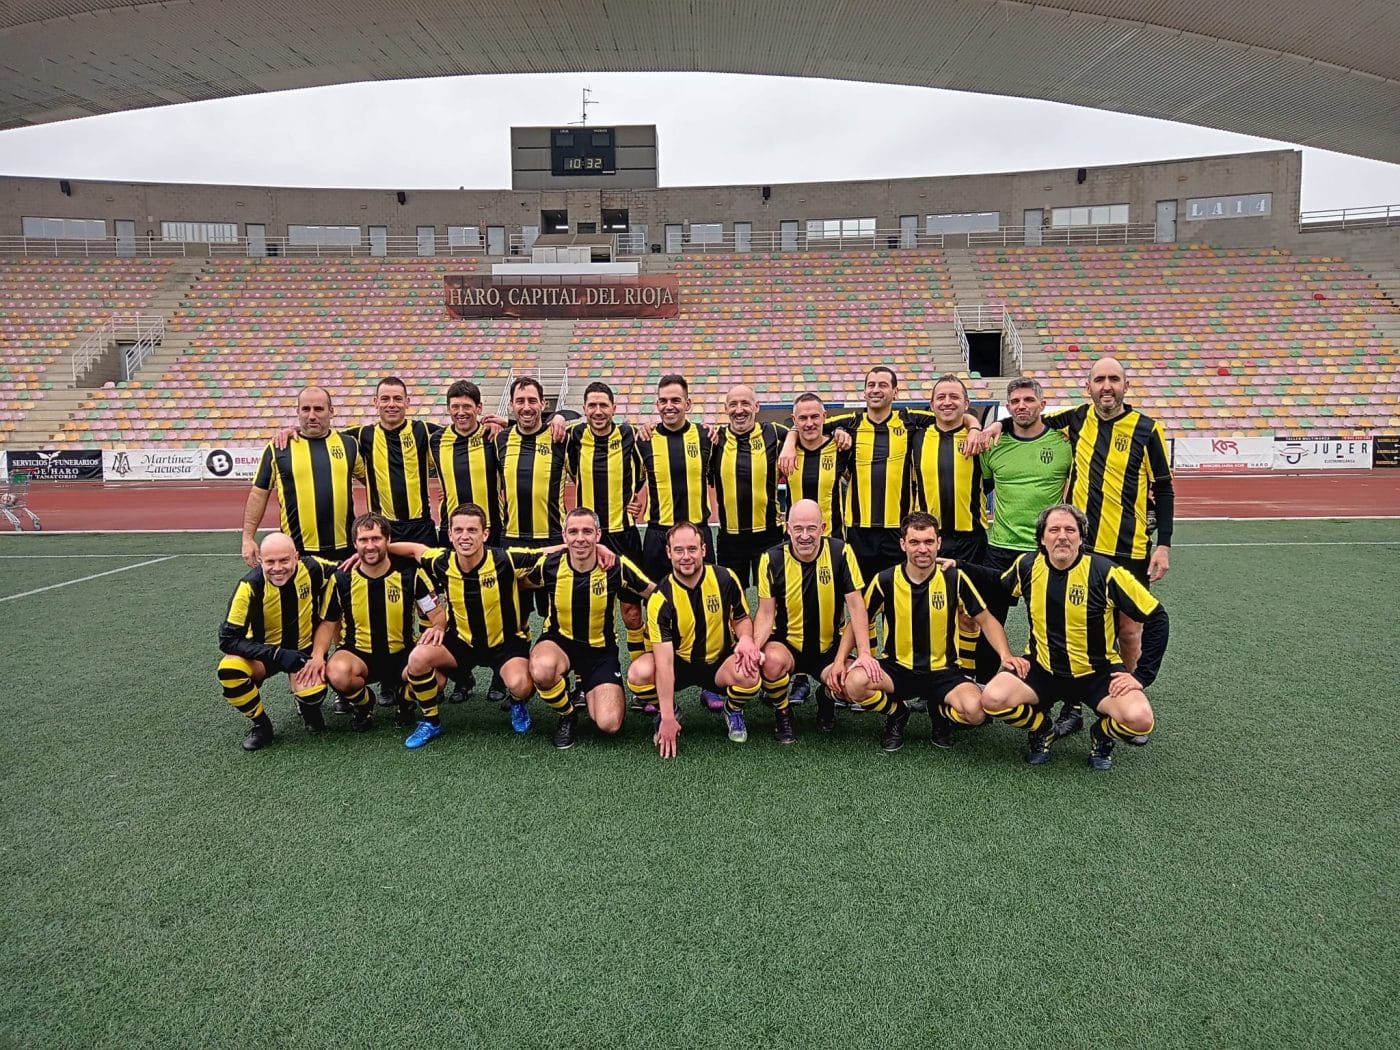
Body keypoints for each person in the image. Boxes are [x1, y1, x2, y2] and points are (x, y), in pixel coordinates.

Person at [974, 356, 1173, 738]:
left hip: (1129, 545)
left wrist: (1163, 544)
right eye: (1099, 379)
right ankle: (1071, 703)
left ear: (1125, 385)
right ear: (1089, 388)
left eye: (1114, 378)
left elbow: (1163, 487)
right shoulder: (1077, 420)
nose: (1107, 386)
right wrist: (994, 423)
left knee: (1129, 630)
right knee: (1069, 621)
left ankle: (1127, 693)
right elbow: (1028, 420)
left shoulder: (1147, 429)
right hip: (1082, 545)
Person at [979, 504, 1168, 771]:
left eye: (1070, 530)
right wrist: (958, 566)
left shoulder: (1105, 572)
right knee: (992, 699)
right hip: (1043, 669)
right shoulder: (1028, 565)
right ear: (1042, 538)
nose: (1062, 536)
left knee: (1140, 720)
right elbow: (996, 582)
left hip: (1096, 673)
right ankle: (1043, 728)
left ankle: (1101, 735)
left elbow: (1157, 617)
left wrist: (1141, 676)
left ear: (1082, 537)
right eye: (1053, 530)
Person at [833, 511, 1023, 752]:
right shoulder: (885, 580)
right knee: (855, 684)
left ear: (939, 543)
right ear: (903, 544)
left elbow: (986, 620)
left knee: (975, 713)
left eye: (928, 542)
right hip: (897, 669)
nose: (922, 549)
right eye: (914, 542)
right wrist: (841, 660)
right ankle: (897, 713)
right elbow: (858, 620)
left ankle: (939, 712)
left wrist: (1006, 655)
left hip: (944, 672)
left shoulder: (955, 578)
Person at [778, 365, 980, 581]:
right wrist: (790, 440)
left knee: (897, 594)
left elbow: (951, 417)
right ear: (864, 392)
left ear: (895, 392)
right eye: (871, 385)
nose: (876, 390)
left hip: (898, 529)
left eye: (883, 385)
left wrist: (974, 425)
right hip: (858, 530)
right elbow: (809, 426)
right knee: (861, 595)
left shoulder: (910, 420)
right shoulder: (851, 423)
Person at [387, 503, 560, 749]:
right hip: (461, 643)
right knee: (417, 660)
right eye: (458, 530)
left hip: (504, 643)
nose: (464, 536)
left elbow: (546, 552)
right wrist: (376, 548)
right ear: (450, 534)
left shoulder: (504, 559)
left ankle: (517, 703)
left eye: (471, 530)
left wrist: (590, 546)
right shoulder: (442, 562)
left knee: (521, 685)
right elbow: (415, 549)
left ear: (485, 534)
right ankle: (431, 721)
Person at [523, 508, 656, 749]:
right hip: (559, 642)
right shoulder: (550, 565)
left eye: (587, 531)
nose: (580, 538)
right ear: (564, 536)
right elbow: (518, 583)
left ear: (598, 534)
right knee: (542, 670)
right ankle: (567, 714)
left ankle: (589, 686)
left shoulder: (616, 566)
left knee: (609, 724)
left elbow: (654, 592)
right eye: (573, 532)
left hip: (600, 652)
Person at [628, 522, 762, 758]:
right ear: (669, 553)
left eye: (692, 549)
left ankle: (733, 709)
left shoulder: (725, 578)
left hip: (718, 662)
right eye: (679, 550)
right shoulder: (661, 598)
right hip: (680, 664)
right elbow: (665, 663)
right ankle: (669, 711)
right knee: (638, 674)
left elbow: (741, 618)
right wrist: (667, 716)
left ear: (703, 549)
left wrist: (747, 639)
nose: (686, 556)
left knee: (750, 673)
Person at [974, 377, 1073, 678]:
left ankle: (1053, 689)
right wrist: (994, 426)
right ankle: (982, 682)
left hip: (1043, 553)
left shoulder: (1064, 442)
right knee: (989, 619)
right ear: (1007, 407)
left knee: (1047, 625)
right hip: (1000, 548)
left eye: (1029, 400)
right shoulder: (994, 445)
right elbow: (983, 485)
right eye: (1015, 401)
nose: (1022, 406)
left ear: (1042, 405)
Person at [752, 500, 874, 742]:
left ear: (823, 527)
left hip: (828, 649)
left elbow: (857, 608)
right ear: (788, 528)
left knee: (858, 683)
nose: (805, 536)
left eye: (811, 528)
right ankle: (783, 711)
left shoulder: (841, 552)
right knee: (769, 664)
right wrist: (753, 651)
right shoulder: (771, 559)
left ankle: (826, 697)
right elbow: (766, 614)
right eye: (798, 528)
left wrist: (864, 654)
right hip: (786, 646)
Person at [315, 512, 441, 732]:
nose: (370, 545)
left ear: (388, 540)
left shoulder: (411, 575)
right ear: (355, 544)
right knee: (337, 672)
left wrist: (433, 634)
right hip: (359, 654)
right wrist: (317, 656)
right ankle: (364, 705)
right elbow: (328, 623)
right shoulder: (341, 579)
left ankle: (405, 700)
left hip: (403, 653)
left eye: (376, 539)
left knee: (438, 679)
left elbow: (438, 617)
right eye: (363, 540)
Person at [217, 532, 337, 750]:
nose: (278, 568)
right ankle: (262, 725)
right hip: (264, 655)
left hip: (303, 652)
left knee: (313, 693)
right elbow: (227, 639)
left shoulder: (312, 568)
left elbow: (346, 569)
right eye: (270, 561)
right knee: (230, 670)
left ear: (296, 557)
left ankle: (307, 707)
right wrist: (276, 654)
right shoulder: (249, 587)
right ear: (261, 561)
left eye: (284, 560)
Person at [563, 381, 649, 669]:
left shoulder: (629, 435)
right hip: (586, 539)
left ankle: (642, 681)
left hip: (623, 535)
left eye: (604, 406)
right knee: (586, 612)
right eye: (592, 406)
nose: (598, 411)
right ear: (584, 409)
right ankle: (583, 678)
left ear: (614, 408)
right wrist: (561, 416)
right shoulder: (574, 435)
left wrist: (639, 500)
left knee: (631, 611)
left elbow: (648, 473)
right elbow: (540, 423)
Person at [908, 373, 990, 674]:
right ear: (930, 404)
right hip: (926, 540)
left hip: (970, 539)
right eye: (941, 397)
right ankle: (924, 674)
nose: (947, 402)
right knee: (926, 611)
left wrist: (975, 426)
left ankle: (965, 675)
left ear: (966, 403)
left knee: (968, 614)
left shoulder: (979, 441)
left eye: (954, 396)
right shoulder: (916, 434)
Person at [241, 386, 361, 566]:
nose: (312, 415)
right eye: (306, 409)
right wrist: (248, 538)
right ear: (298, 411)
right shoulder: (278, 447)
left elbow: (374, 482)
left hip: (344, 550)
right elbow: (259, 493)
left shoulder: (349, 445)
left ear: (331, 411)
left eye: (318, 409)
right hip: (296, 552)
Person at [495, 376, 569, 618]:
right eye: (520, 401)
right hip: (513, 540)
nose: (526, 407)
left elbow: (583, 417)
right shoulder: (500, 439)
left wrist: (561, 415)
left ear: (543, 404)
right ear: (511, 405)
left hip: (553, 538)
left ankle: (554, 656)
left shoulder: (560, 438)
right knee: (516, 616)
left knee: (557, 614)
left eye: (532, 401)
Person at [634, 374, 715, 582]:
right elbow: (629, 481)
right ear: (657, 404)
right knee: (657, 600)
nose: (669, 406)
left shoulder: (707, 437)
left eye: (675, 400)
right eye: (663, 401)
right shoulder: (644, 439)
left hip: (698, 531)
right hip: (658, 535)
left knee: (703, 599)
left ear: (688, 404)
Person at [710, 384, 788, 588]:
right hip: (730, 537)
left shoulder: (773, 432)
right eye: (733, 404)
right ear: (726, 408)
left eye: (745, 403)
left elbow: (806, 431)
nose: (739, 409)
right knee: (734, 602)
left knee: (775, 599)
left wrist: (792, 438)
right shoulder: (714, 439)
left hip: (769, 535)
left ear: (756, 407)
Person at [784, 392, 853, 539]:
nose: (809, 423)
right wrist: (790, 440)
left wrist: (840, 430)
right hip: (796, 542)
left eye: (814, 416)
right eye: (803, 418)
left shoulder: (840, 448)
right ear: (794, 420)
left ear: (824, 416)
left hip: (832, 539)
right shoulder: (783, 450)